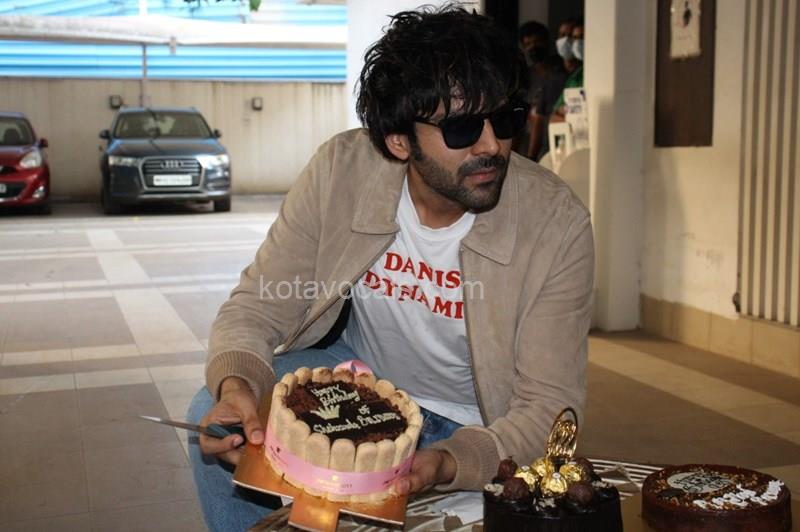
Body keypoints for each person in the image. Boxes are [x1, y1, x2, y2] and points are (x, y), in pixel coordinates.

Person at [187, 5, 594, 531]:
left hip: (478, 422)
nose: (493, 145)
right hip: (363, 384)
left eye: (507, 119)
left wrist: (450, 461)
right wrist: (235, 385)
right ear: (399, 140)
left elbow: (549, 409)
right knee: (218, 412)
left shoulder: (556, 224)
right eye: (463, 128)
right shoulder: (342, 172)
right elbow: (259, 304)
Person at [515, 20, 568, 161]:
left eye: (537, 42)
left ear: (546, 42)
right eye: (528, 44)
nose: (533, 48)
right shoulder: (524, 77)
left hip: (553, 145)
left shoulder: (561, 73)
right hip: (527, 149)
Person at [552, 19, 585, 122]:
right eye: (575, 38)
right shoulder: (575, 77)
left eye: (582, 37)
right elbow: (555, 115)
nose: (578, 42)